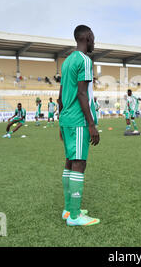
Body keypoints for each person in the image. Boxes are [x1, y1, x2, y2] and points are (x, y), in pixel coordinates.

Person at [59, 24, 100, 227]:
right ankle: (75, 216)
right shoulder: (85, 60)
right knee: (79, 163)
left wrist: (60, 123)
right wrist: (91, 124)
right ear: (88, 37)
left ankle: (68, 209)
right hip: (78, 120)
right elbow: (82, 94)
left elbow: (61, 95)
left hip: (66, 119)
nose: (94, 41)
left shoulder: (66, 62)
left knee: (69, 161)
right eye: (93, 38)